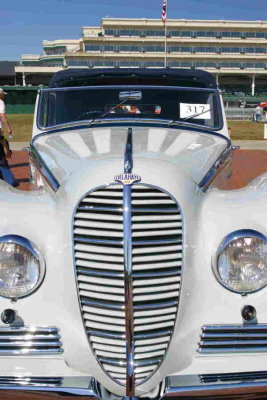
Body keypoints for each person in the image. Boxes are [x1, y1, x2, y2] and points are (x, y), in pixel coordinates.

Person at [0, 88, 17, 187]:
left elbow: (8, 154)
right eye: (3, 94)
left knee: (12, 183)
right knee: (12, 184)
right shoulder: (0, 102)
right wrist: (8, 128)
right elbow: (2, 115)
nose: (4, 96)